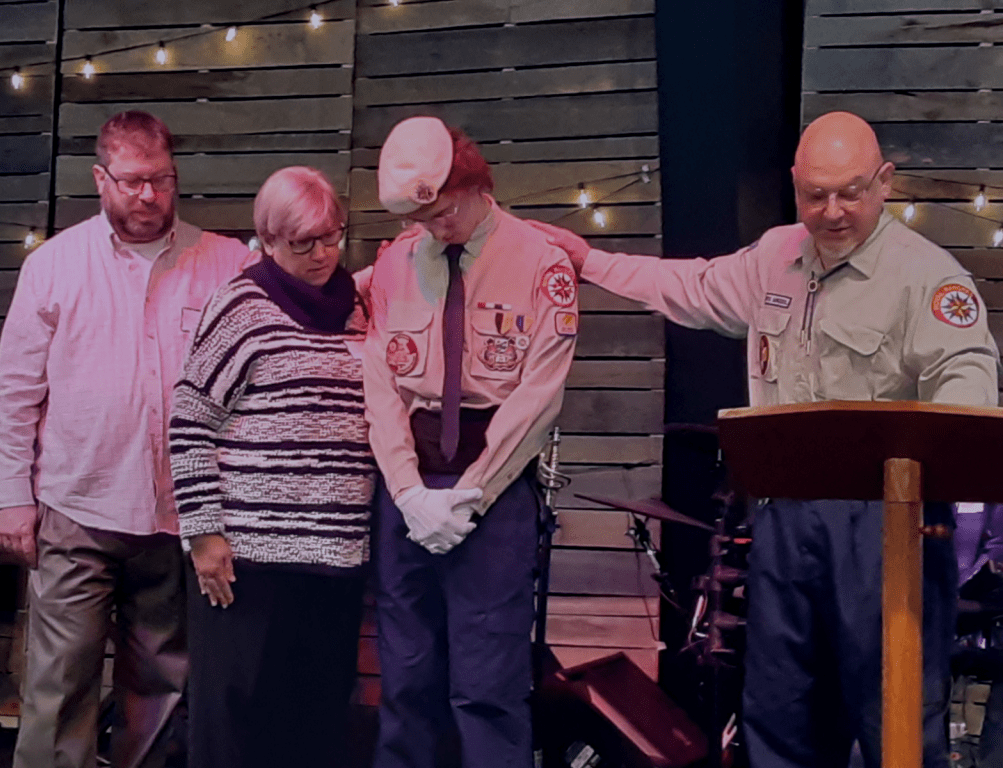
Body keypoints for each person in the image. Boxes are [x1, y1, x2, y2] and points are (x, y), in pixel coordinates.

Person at [532, 111, 1000, 767]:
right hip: (785, 518)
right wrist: (591, 261)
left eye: (851, 192)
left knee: (892, 718)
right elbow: (692, 286)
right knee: (780, 715)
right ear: (795, 184)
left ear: (884, 182)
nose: (832, 212)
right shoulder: (775, 256)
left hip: (888, 524)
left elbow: (968, 393)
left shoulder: (928, 276)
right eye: (816, 194)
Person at [0, 110, 255, 768]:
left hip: (178, 515)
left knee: (162, 687)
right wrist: (11, 495)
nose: (149, 195)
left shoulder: (226, 264)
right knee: (58, 686)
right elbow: (13, 390)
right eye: (132, 181)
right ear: (101, 178)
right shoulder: (54, 265)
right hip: (75, 507)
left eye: (162, 179)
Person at [363, 116, 577, 768]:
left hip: (495, 489)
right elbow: (380, 381)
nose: (434, 228)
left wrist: (472, 495)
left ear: (478, 185)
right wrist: (406, 491)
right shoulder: (395, 263)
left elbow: (538, 398)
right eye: (420, 218)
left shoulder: (542, 263)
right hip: (407, 488)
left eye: (443, 211)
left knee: (488, 686)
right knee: (406, 679)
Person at [168, 166, 374, 768]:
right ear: (268, 239)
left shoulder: (357, 307)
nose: (321, 254)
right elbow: (190, 420)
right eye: (303, 243)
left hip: (335, 556)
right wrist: (203, 534)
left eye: (331, 237)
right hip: (250, 559)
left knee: (315, 723)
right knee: (235, 725)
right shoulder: (241, 305)